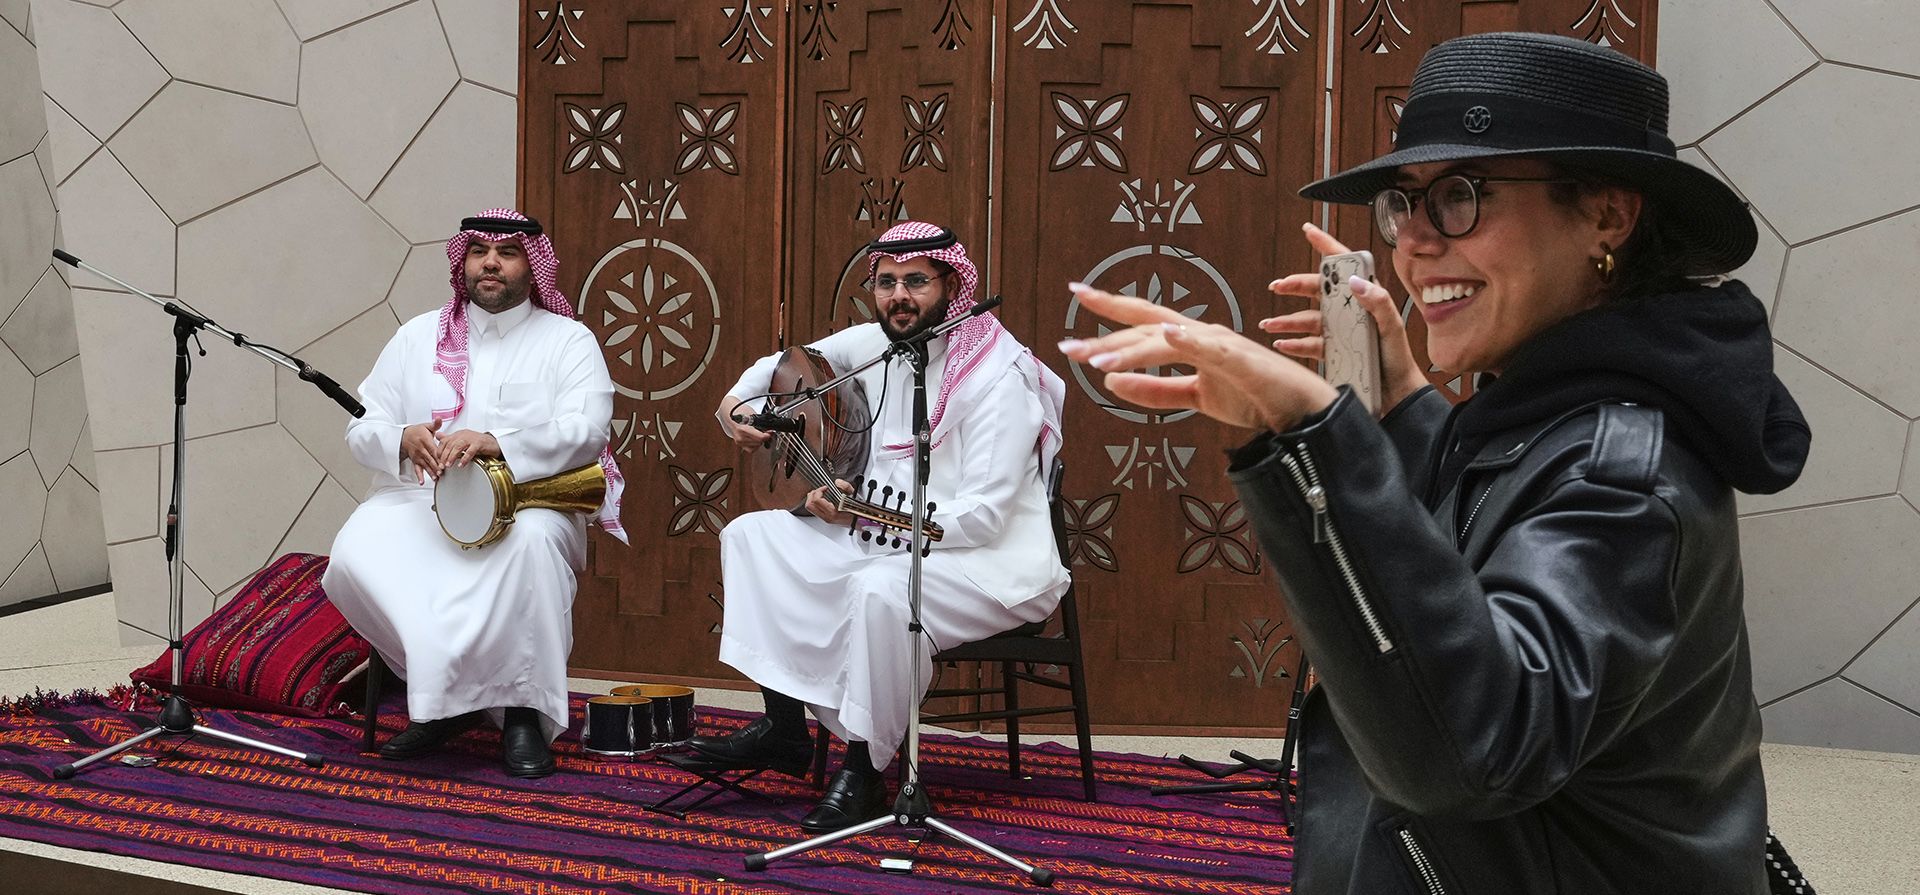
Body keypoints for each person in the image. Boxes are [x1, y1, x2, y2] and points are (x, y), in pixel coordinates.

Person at [1060, 33, 1808, 894]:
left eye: (1460, 196)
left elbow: (1473, 745)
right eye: (1401, 203)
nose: (1412, 242)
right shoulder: (1559, 404)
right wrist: (1405, 405)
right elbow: (1491, 542)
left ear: (1608, 214)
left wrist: (1309, 434)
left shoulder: (1625, 472)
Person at [690, 221, 1069, 833]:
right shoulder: (876, 341)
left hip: (985, 561)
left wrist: (856, 509)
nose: (899, 296)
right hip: (878, 535)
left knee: (883, 592)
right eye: (886, 282)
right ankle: (785, 728)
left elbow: (983, 516)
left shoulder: (1000, 375)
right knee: (751, 538)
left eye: (916, 281)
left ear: (952, 284)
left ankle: (863, 769)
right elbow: (776, 368)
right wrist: (736, 409)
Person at [323, 209, 626, 779]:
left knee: (531, 547)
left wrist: (498, 441)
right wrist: (401, 438)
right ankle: (441, 698)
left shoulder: (567, 340)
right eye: (478, 251)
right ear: (461, 261)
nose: (490, 263)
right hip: (422, 499)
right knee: (352, 556)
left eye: (507, 251)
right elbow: (363, 427)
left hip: (531, 500)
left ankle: (520, 714)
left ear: (531, 268)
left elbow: (588, 432)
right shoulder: (416, 336)